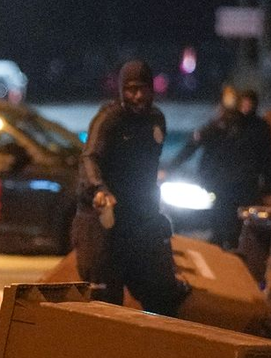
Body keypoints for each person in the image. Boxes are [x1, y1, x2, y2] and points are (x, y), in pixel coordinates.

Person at [73, 60, 188, 317]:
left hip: (139, 220)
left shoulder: (156, 120)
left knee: (162, 293)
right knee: (106, 301)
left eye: (142, 89)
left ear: (151, 90)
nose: (136, 97)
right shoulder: (109, 119)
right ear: (121, 91)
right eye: (130, 90)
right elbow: (89, 157)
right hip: (105, 221)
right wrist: (99, 189)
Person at [167, 85, 260, 248]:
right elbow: (193, 145)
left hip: (240, 185)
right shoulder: (219, 125)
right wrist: (169, 168)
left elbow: (261, 158)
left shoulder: (255, 129)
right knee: (222, 220)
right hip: (221, 183)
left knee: (232, 223)